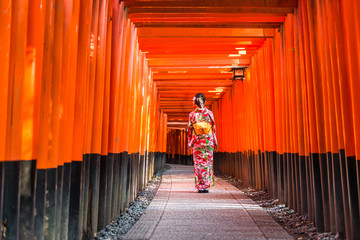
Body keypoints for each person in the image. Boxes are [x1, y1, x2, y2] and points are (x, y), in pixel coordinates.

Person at [187, 93, 218, 193]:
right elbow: (213, 129)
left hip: (198, 142)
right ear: (205, 102)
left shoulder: (192, 115)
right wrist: (215, 142)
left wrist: (189, 143)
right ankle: (206, 186)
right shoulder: (210, 113)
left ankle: (200, 186)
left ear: (195, 103)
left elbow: (189, 130)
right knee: (208, 163)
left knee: (199, 164)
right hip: (209, 141)